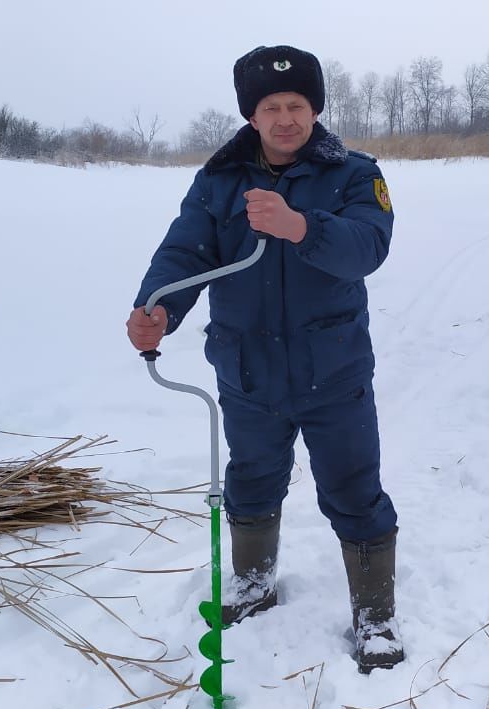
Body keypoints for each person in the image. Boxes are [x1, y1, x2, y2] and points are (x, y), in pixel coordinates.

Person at [126, 45, 402, 674]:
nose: (285, 119)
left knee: (355, 490)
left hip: (333, 372)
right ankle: (254, 585)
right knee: (250, 481)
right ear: (252, 115)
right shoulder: (219, 181)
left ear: (315, 110)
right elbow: (184, 253)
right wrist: (157, 308)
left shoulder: (354, 174)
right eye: (271, 107)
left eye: (296, 105)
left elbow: (369, 247)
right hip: (246, 371)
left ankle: (376, 614)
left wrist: (301, 226)